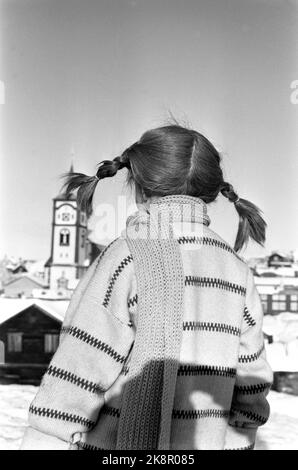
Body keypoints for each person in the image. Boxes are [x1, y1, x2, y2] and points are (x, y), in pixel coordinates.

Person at [21, 124, 273, 450]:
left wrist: (44, 439)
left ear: (137, 184)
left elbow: (80, 369)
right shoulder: (236, 270)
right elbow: (251, 381)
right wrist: (242, 436)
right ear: (212, 192)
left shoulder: (126, 256)